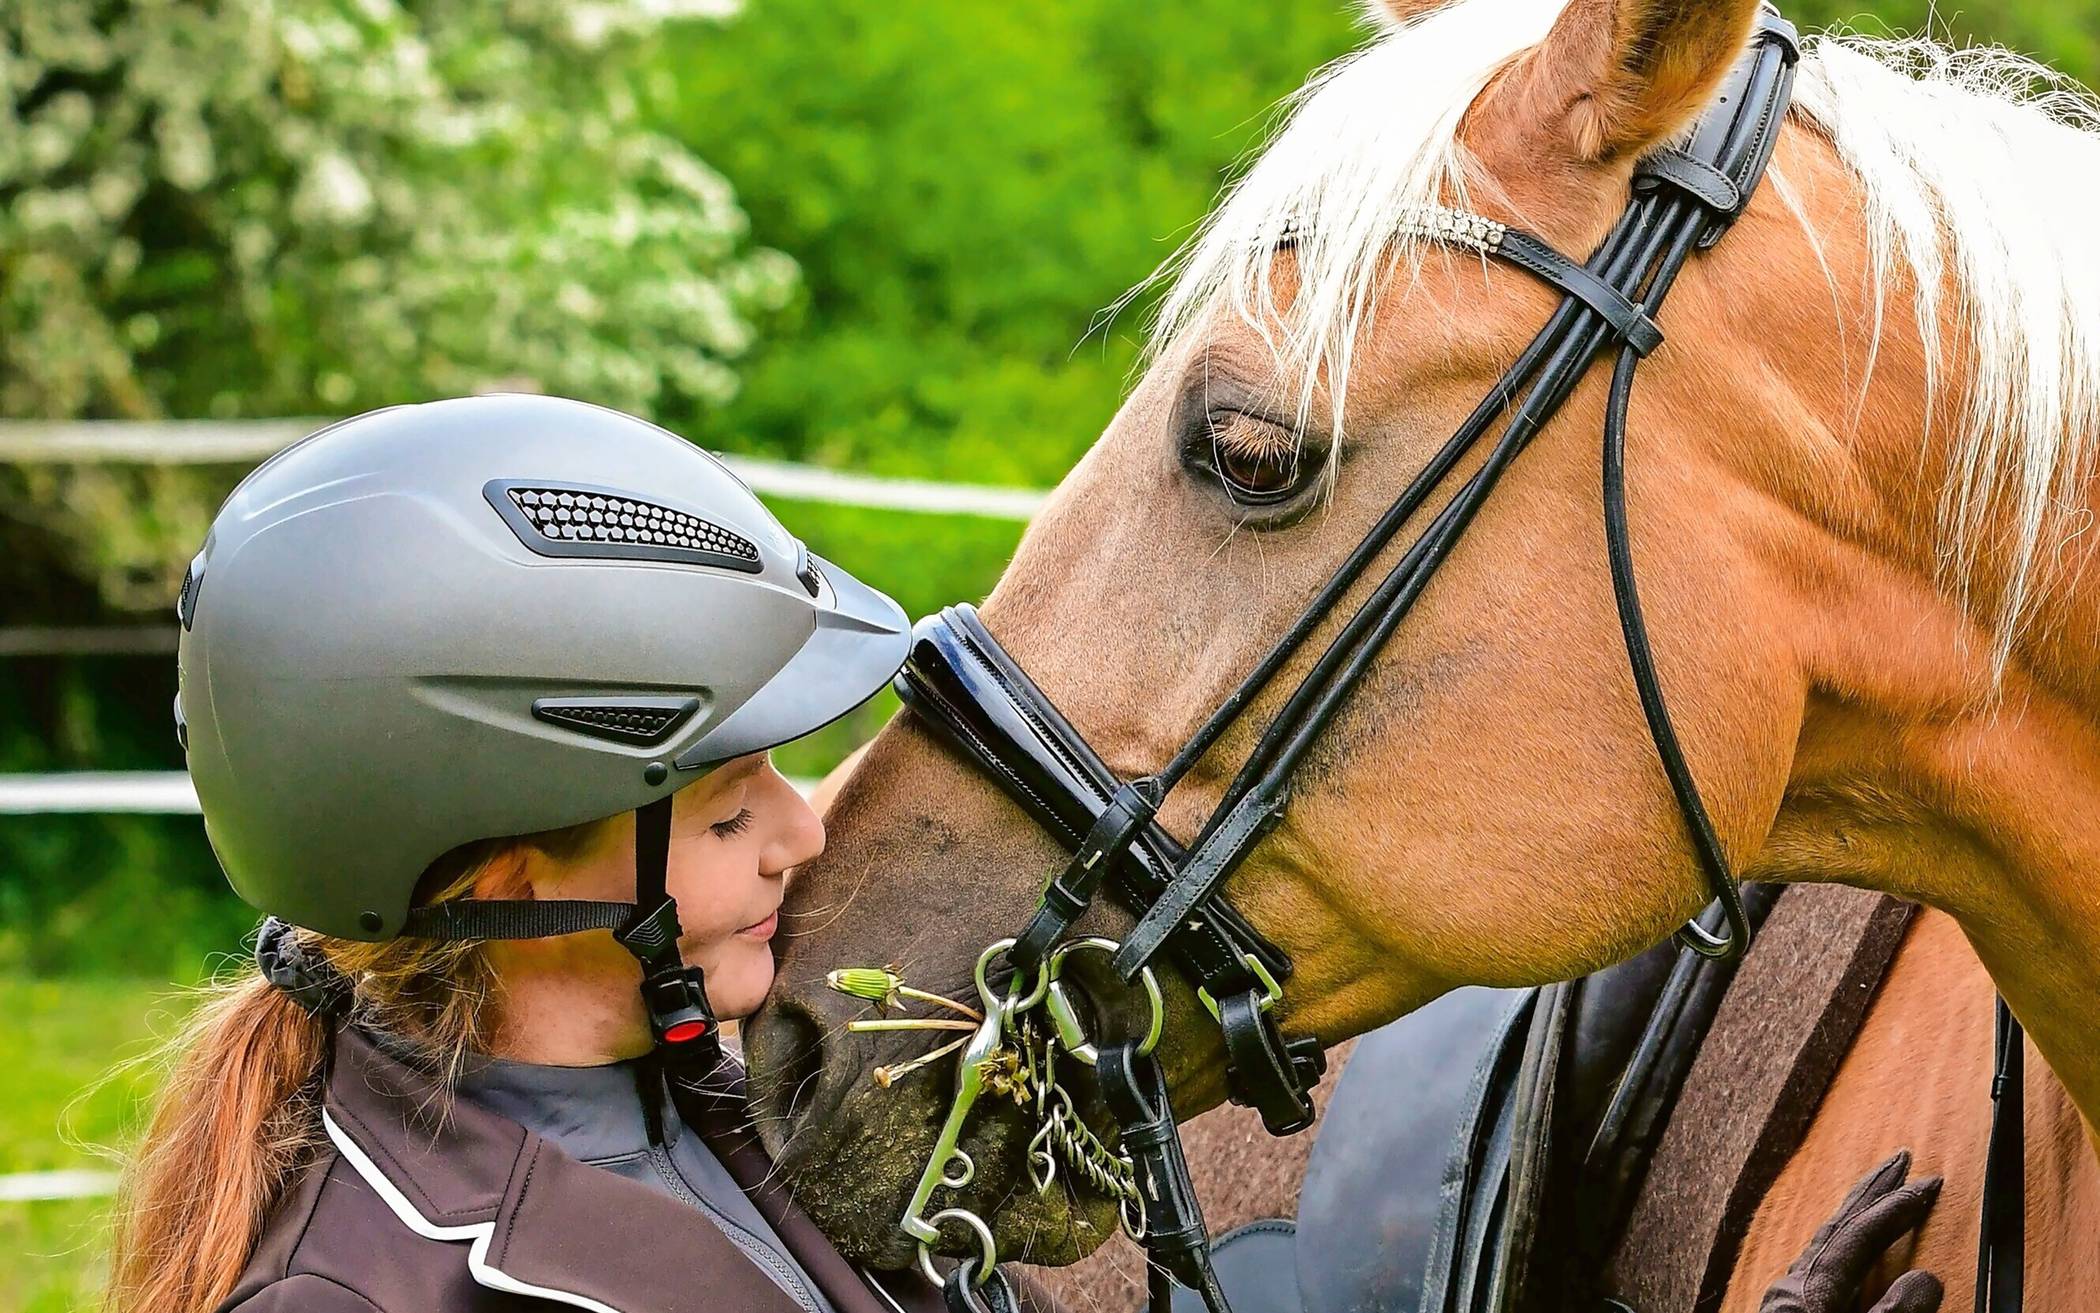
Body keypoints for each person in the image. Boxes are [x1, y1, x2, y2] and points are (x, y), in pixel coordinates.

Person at [107, 395, 980, 1313]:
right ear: (508, 875)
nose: (804, 833)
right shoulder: (350, 1297)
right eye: (727, 813)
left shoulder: (743, 1100)